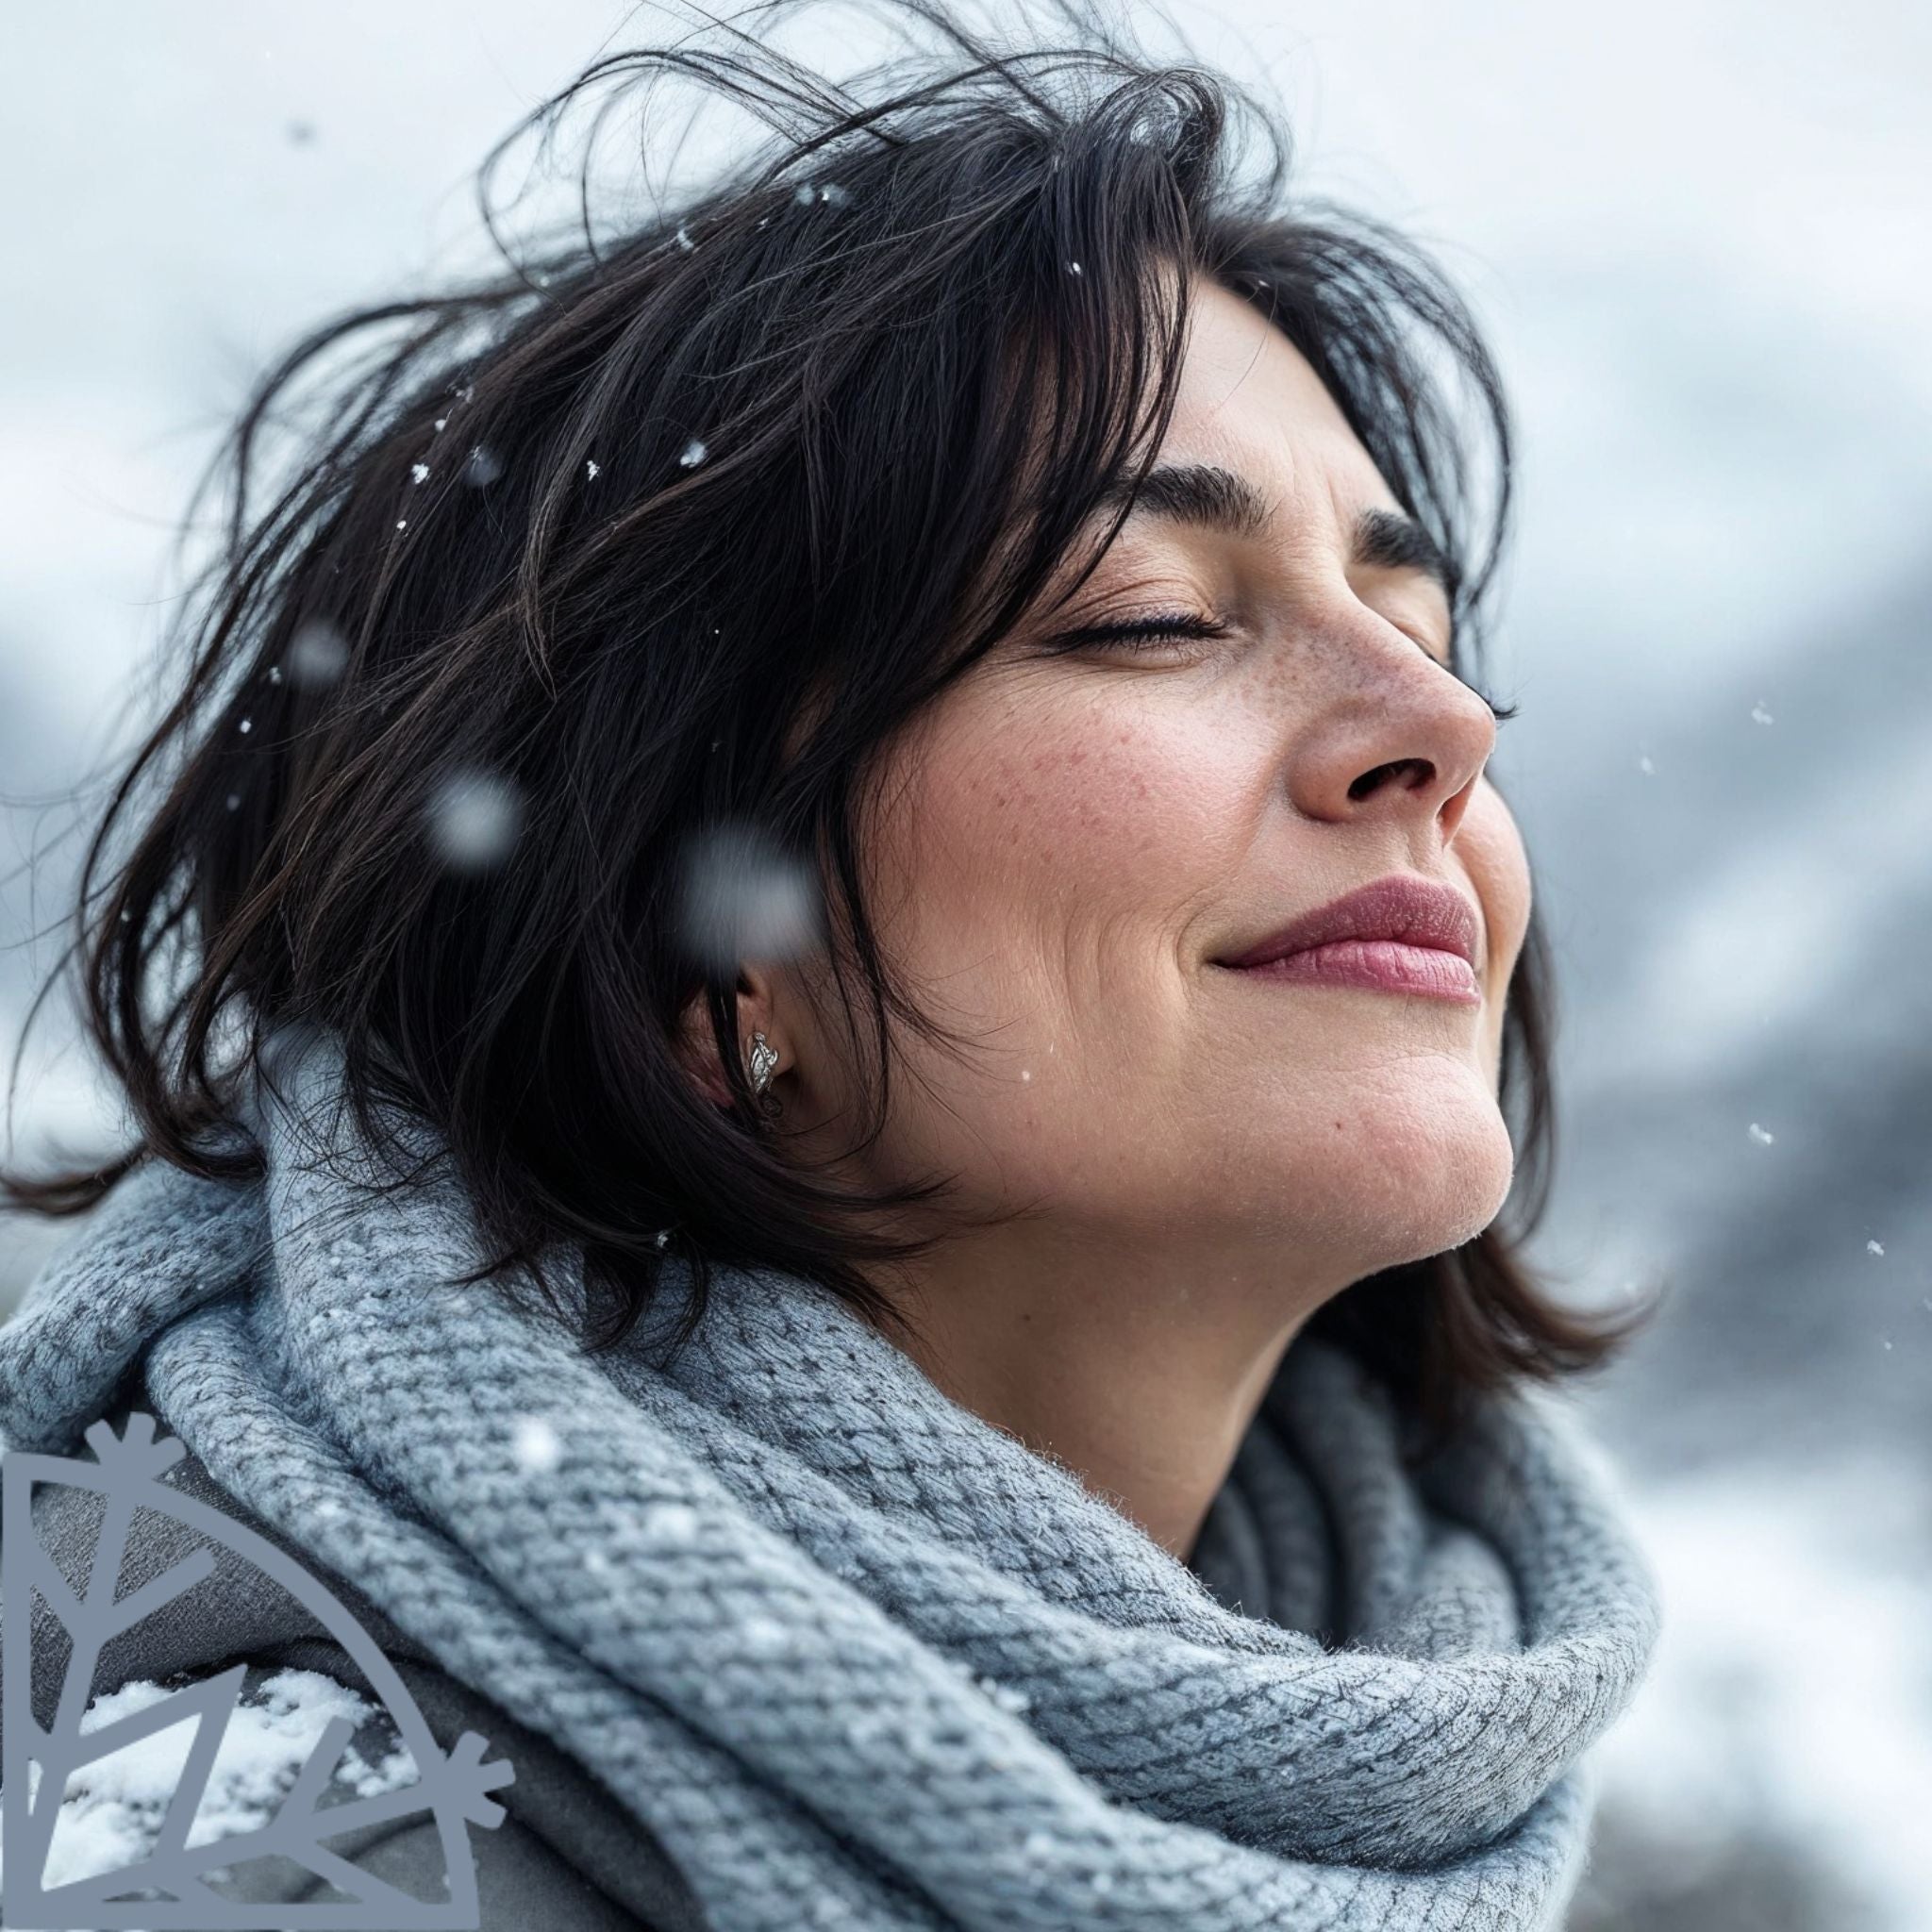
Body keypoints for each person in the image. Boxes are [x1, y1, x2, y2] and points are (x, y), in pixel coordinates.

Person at [0, 4, 1663, 1926]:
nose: (1436, 722)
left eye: (1425, 623)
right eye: (1147, 618)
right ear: (703, 941)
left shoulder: (1400, 1795)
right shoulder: (261, 1865)